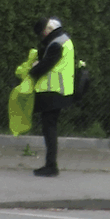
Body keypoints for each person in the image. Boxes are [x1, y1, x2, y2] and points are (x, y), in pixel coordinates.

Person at [29, 17, 75, 176]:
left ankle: (51, 166)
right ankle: (50, 164)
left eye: (43, 33)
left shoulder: (56, 44)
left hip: (53, 91)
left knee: (49, 129)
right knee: (50, 127)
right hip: (60, 91)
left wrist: (32, 70)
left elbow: (45, 65)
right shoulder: (63, 40)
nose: (42, 37)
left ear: (48, 30)